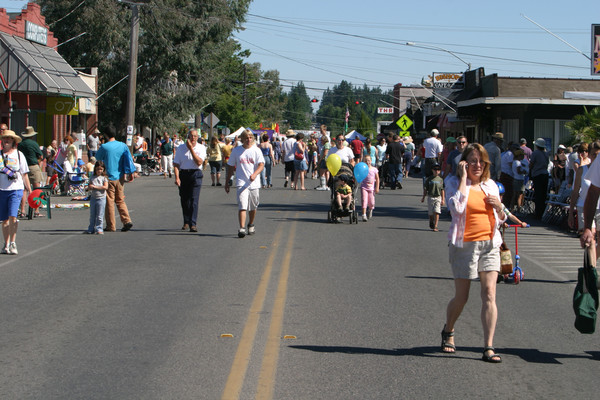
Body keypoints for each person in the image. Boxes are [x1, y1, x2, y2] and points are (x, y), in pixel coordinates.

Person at [442, 143, 506, 363]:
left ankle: (488, 346)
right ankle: (449, 330)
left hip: (490, 244)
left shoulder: (491, 185)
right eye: (472, 161)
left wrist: (498, 206)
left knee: (489, 294)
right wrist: (462, 179)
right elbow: (456, 209)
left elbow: (502, 218)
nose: (477, 165)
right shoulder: (452, 182)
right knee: (462, 296)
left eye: (481, 161)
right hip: (464, 245)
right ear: (463, 163)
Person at [225, 129, 265, 238]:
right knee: (242, 205)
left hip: (254, 183)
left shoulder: (256, 150)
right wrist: (227, 182)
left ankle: (251, 224)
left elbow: (261, 165)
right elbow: (231, 167)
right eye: (246, 138)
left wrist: (255, 174)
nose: (249, 140)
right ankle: (242, 228)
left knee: (253, 206)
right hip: (241, 182)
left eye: (250, 138)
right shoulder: (237, 151)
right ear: (242, 139)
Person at [95, 130, 136, 232]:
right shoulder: (122, 145)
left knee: (109, 202)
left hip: (109, 177)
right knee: (120, 199)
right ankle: (126, 220)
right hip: (120, 176)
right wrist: (131, 173)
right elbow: (128, 159)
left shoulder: (105, 147)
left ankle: (111, 225)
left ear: (106, 135)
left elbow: (97, 158)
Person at [0, 130, 31, 255]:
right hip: (2, 190)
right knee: (4, 220)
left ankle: (13, 243)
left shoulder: (19, 155)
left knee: (13, 217)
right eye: (5, 138)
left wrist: (29, 189)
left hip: (16, 190)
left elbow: (24, 174)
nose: (7, 140)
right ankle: (6, 244)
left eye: (9, 138)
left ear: (13, 141)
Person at [173, 129, 206, 232]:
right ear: (188, 137)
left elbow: (199, 162)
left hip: (195, 174)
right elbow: (176, 164)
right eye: (191, 136)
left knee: (193, 200)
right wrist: (177, 177)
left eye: (195, 136)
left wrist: (191, 149)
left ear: (197, 137)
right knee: (184, 199)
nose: (193, 138)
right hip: (184, 174)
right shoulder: (180, 148)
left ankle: (193, 223)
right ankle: (186, 221)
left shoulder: (201, 148)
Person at [569, 141, 600, 237]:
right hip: (583, 206)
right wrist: (570, 213)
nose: (596, 158)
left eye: (598, 155)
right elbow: (575, 192)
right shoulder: (582, 170)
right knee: (590, 234)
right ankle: (589, 250)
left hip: (599, 208)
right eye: (593, 154)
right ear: (589, 155)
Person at [17, 126, 43, 217]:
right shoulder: (34, 144)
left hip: (23, 167)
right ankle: (36, 210)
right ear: (32, 135)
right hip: (33, 166)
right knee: (37, 189)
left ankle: (23, 210)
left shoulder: (20, 144)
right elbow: (40, 156)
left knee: (24, 189)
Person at [84, 161, 108, 235]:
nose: (99, 171)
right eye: (98, 169)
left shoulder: (104, 178)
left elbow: (105, 187)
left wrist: (95, 187)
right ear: (95, 169)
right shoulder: (92, 177)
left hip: (101, 198)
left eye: (101, 169)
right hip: (93, 198)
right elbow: (89, 186)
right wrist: (89, 187)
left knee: (100, 215)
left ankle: (99, 228)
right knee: (92, 215)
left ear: (103, 169)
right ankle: (91, 228)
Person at [529, 138, 550, 220]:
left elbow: (531, 164)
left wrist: (530, 169)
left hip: (537, 174)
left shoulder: (535, 153)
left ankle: (538, 213)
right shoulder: (546, 154)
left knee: (538, 194)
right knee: (543, 194)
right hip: (545, 174)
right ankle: (542, 211)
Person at [422, 163, 445, 231]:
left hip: (438, 197)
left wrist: (443, 199)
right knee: (431, 212)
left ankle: (435, 225)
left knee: (437, 211)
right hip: (430, 197)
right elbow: (426, 189)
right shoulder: (429, 179)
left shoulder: (440, 180)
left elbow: (442, 189)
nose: (436, 171)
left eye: (438, 170)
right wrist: (423, 197)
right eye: (435, 169)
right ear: (432, 170)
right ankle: (431, 221)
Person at [360, 155, 379, 221]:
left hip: (371, 188)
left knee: (371, 202)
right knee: (364, 200)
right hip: (364, 187)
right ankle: (364, 215)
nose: (367, 162)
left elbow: (377, 178)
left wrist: (377, 187)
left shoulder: (374, 169)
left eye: (368, 160)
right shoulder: (363, 169)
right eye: (365, 161)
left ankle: (370, 210)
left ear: (371, 161)